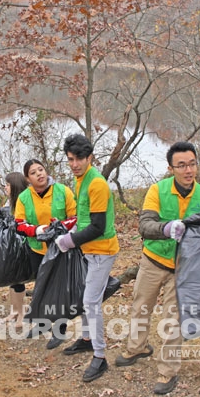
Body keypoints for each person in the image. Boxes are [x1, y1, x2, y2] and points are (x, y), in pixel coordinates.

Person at [115, 141, 200, 394]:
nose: (188, 170)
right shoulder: (157, 191)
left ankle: (167, 372)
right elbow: (145, 226)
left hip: (183, 268)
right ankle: (136, 348)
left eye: (192, 164)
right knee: (141, 306)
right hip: (153, 261)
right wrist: (166, 228)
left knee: (173, 320)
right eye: (181, 165)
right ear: (171, 168)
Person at [58, 134, 119, 383]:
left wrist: (69, 240)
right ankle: (86, 339)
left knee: (91, 302)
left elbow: (98, 226)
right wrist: (70, 231)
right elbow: (84, 218)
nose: (74, 164)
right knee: (85, 294)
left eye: (79, 159)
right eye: (71, 159)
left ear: (90, 157)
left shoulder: (97, 184)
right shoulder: (79, 179)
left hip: (102, 250)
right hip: (88, 249)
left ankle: (100, 356)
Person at [14, 159, 77, 348]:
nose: (39, 174)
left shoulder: (62, 191)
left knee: (59, 289)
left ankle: (60, 330)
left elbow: (75, 217)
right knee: (41, 286)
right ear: (28, 178)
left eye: (41, 170)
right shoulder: (24, 197)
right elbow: (18, 223)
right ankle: (42, 324)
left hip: (60, 248)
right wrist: (37, 230)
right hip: (36, 248)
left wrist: (58, 227)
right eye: (33, 173)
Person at [1, 171, 30, 325]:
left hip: (22, 245)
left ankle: (22, 313)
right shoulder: (9, 202)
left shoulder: (23, 200)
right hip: (10, 244)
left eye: (7, 185)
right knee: (12, 279)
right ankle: (14, 311)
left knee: (18, 279)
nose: (5, 188)